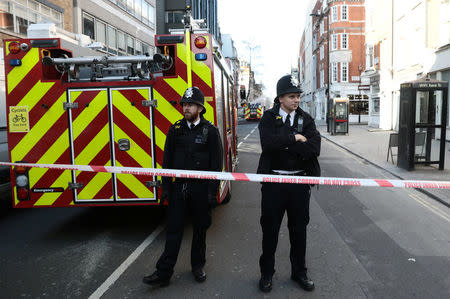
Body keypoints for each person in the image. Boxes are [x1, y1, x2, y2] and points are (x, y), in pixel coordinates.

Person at [143, 86, 223, 287]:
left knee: (199, 231)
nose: (186, 108)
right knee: (173, 230)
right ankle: (164, 273)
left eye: (190, 105)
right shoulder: (175, 129)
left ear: (200, 108)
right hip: (179, 189)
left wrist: (212, 193)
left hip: (201, 189)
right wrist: (166, 188)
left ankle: (197, 266)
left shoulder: (211, 131)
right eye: (184, 104)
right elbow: (167, 162)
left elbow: (216, 165)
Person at [257, 74, 321, 293]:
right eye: (292, 96)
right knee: (270, 231)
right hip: (274, 182)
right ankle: (266, 274)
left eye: (298, 96)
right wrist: (295, 138)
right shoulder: (268, 118)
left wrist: (283, 144)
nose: (296, 100)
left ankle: (299, 272)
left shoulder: (306, 119)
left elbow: (314, 149)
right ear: (280, 98)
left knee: (299, 231)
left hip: (299, 183)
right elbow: (268, 144)